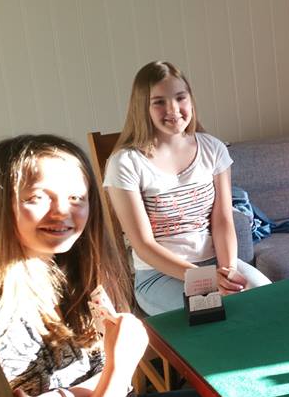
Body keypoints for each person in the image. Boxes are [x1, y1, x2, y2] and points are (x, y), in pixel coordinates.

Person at [0, 135, 266, 397]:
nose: (62, 211)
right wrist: (121, 367)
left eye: (76, 197)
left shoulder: (65, 268)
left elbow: (91, 384)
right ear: (1, 203)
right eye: (37, 197)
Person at [105, 61, 270, 315]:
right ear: (142, 107)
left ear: (190, 100)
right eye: (159, 102)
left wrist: (228, 271)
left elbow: (223, 219)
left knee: (271, 301)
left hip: (216, 265)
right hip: (158, 276)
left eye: (180, 98)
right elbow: (143, 245)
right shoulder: (126, 162)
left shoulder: (213, 148)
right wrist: (204, 279)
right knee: (217, 315)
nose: (173, 109)